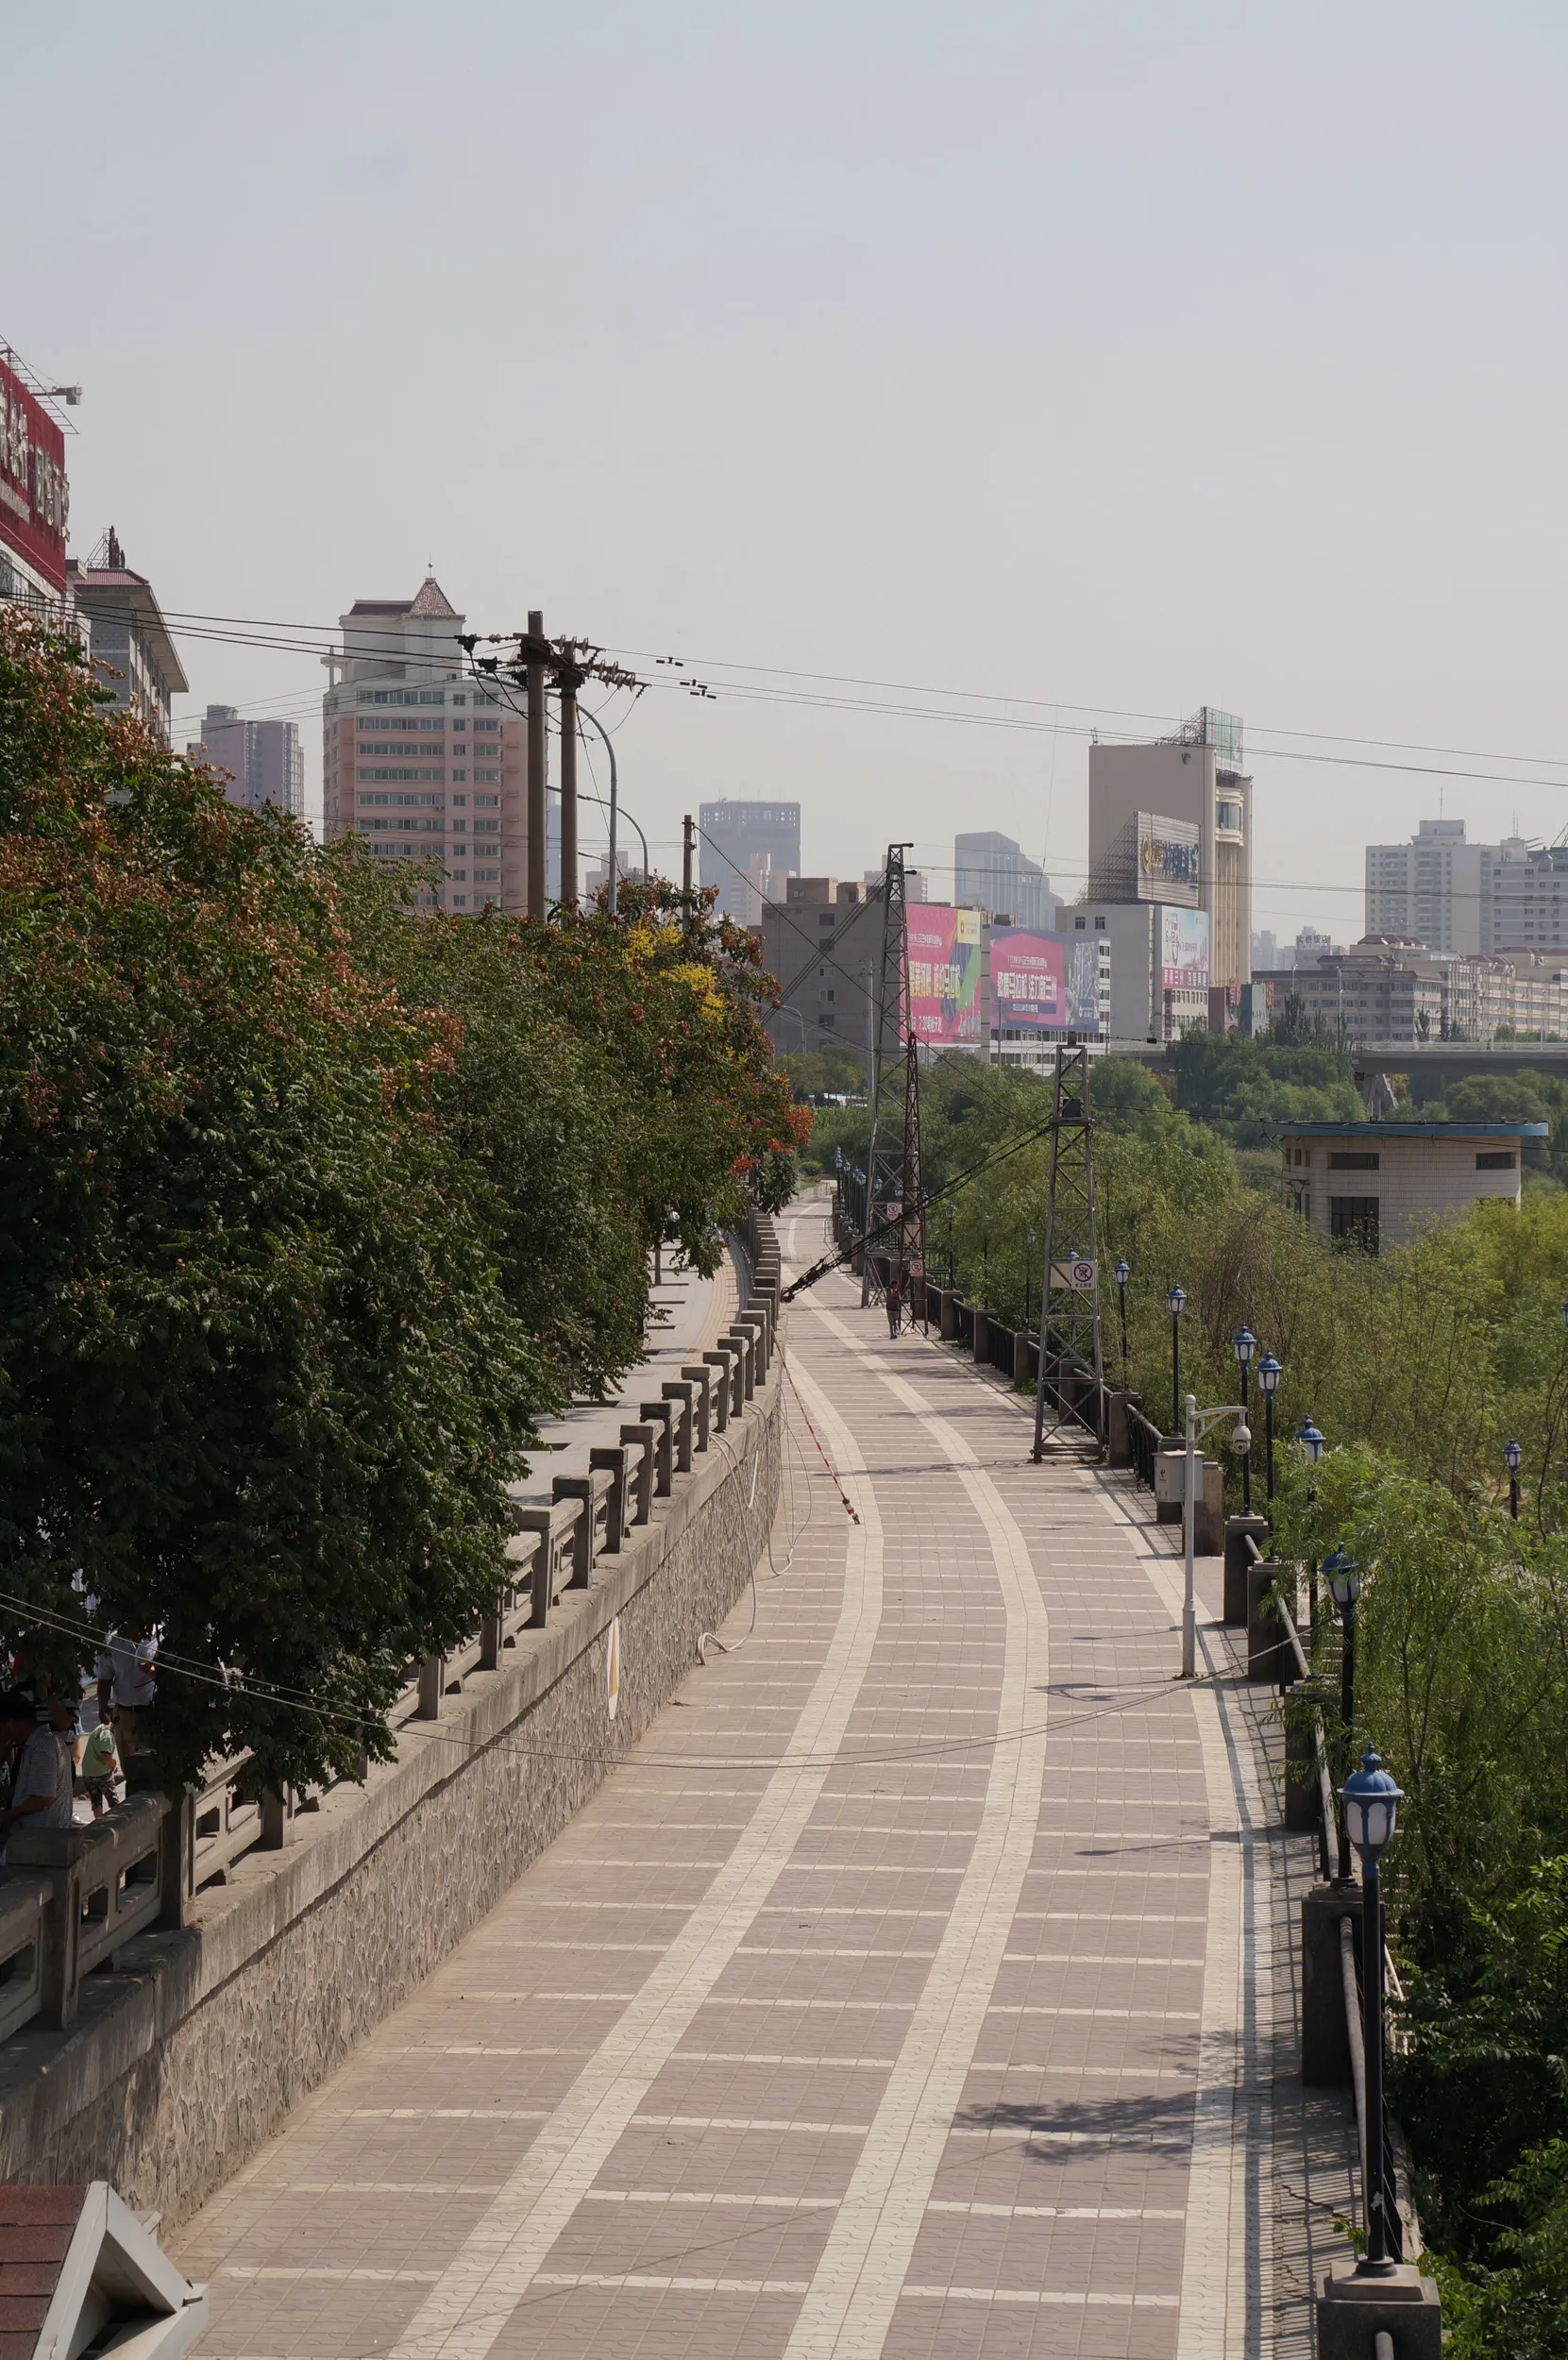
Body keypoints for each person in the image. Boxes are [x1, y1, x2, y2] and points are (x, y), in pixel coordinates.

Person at [0, 1697, 76, 1851]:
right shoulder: (35, 1744)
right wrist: (9, 1792)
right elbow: (35, 1790)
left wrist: (9, 1815)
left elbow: (44, 1798)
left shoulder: (42, 1746)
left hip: (43, 1839)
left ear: (12, 1724)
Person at [94, 1628, 157, 1758]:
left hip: (153, 1715)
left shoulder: (159, 1636)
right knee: (129, 1766)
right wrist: (102, 1706)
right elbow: (105, 1677)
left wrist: (152, 1671)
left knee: (154, 1766)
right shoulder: (115, 1641)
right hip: (124, 1715)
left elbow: (171, 1676)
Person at [79, 1712, 121, 1818]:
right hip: (101, 1773)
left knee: (96, 1800)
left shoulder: (100, 1728)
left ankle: (98, 1823)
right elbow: (106, 1758)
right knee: (113, 1800)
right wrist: (114, 1764)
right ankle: (118, 1823)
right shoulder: (108, 1736)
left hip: (88, 1772)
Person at [885, 1271, 903, 1339]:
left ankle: (894, 1333)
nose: (896, 1286)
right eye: (896, 1285)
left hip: (893, 1308)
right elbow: (896, 1298)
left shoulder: (892, 1290)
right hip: (892, 1308)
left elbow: (898, 1298)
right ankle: (893, 1334)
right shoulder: (892, 1290)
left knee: (893, 1322)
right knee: (893, 1322)